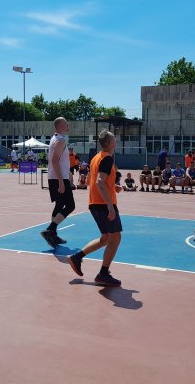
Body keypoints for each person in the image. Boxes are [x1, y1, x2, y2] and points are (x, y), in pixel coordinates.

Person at [68, 130, 123, 286]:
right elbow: (99, 182)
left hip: (95, 203)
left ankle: (77, 257)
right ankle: (103, 274)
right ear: (111, 143)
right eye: (114, 139)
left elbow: (95, 181)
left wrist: (113, 186)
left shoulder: (96, 158)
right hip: (104, 204)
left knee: (106, 238)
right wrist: (110, 207)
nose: (116, 141)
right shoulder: (106, 159)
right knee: (115, 237)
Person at [42, 117, 75, 247]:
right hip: (58, 178)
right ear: (61, 125)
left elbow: (58, 161)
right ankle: (50, 229)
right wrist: (62, 181)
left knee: (59, 204)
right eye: (66, 123)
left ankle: (53, 236)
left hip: (55, 177)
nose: (67, 125)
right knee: (70, 206)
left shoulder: (54, 138)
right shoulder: (60, 140)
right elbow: (55, 161)